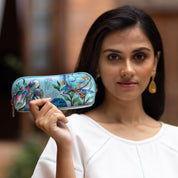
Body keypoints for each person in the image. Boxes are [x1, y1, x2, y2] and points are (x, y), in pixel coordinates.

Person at [30, 5, 178, 178]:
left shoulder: (174, 140)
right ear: (97, 64)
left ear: (154, 63)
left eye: (139, 56)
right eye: (113, 57)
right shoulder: (71, 133)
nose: (127, 70)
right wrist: (63, 147)